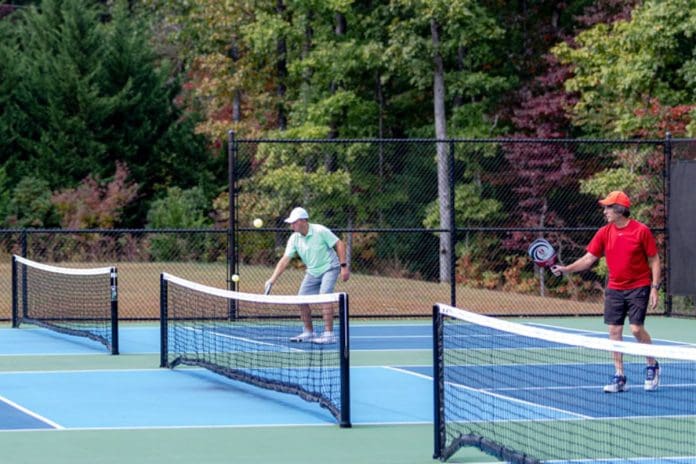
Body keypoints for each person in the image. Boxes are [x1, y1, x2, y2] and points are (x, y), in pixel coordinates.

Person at [551, 191, 661, 393]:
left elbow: (654, 259)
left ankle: (652, 365)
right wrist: (566, 269)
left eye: (608, 207)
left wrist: (655, 287)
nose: (605, 211)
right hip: (615, 288)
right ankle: (619, 376)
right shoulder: (604, 232)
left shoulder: (641, 231)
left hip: (639, 286)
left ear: (620, 210)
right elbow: (588, 259)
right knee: (614, 331)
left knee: (636, 329)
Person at [265, 207, 350, 344]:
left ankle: (329, 334)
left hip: (330, 267)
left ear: (304, 221)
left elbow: (339, 244)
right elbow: (285, 260)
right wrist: (272, 279)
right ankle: (309, 332)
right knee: (301, 299)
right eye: (291, 223)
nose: (291, 225)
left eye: (294, 222)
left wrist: (343, 266)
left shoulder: (320, 231)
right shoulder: (294, 238)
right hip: (312, 271)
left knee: (325, 295)